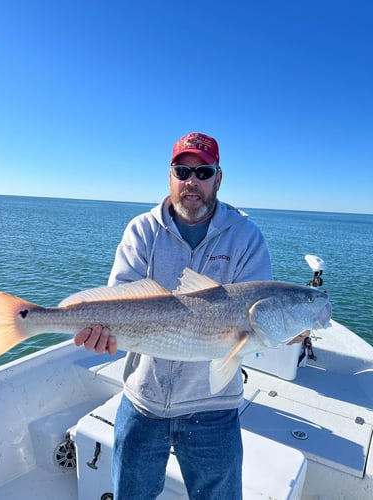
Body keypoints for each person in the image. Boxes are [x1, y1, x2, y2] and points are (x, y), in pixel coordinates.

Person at [74, 132, 293, 499]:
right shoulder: (142, 230)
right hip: (143, 401)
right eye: (183, 171)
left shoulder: (246, 237)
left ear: (218, 178)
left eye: (203, 172)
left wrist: (290, 327)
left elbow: (256, 321)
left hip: (214, 408)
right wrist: (102, 333)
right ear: (170, 176)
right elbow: (120, 298)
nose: (192, 181)